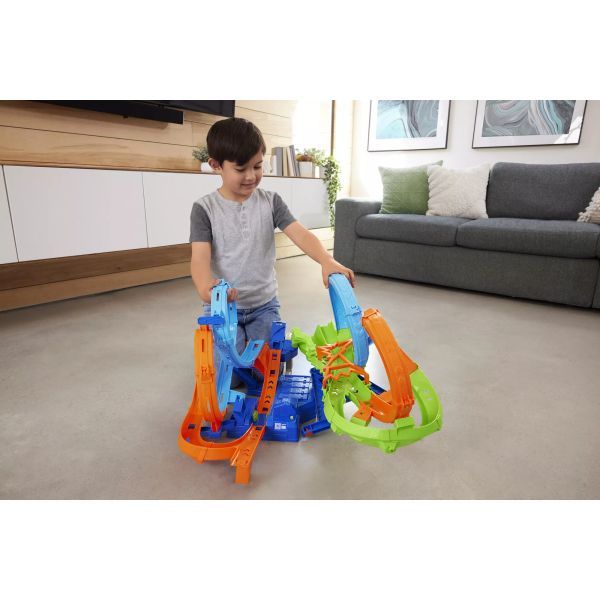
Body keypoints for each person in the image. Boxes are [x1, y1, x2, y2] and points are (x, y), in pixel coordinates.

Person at [189, 117, 354, 359]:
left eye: (257, 166)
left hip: (263, 306)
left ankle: (268, 345)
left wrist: (326, 260)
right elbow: (199, 258)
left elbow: (300, 233)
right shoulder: (204, 209)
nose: (251, 176)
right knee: (233, 371)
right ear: (216, 165)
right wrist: (206, 289)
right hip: (224, 308)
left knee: (264, 368)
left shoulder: (271, 201)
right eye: (240, 169)